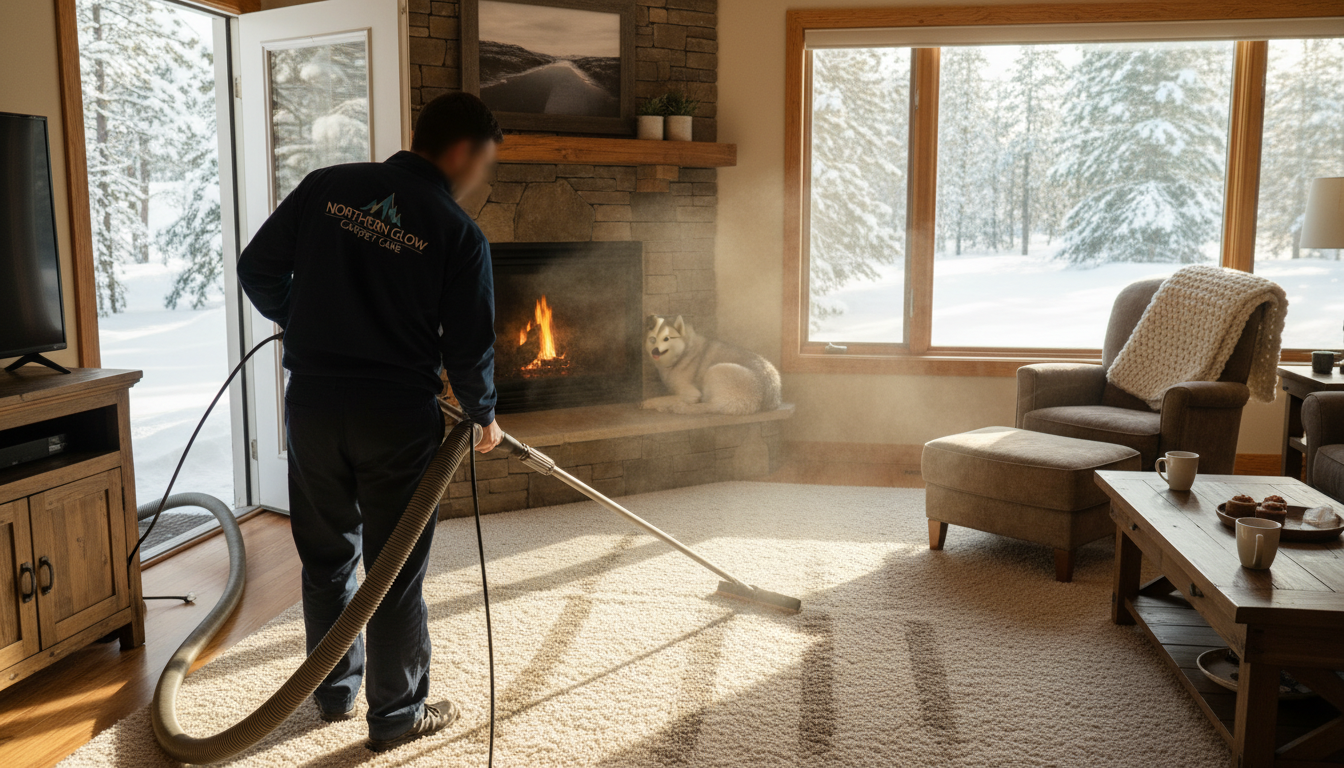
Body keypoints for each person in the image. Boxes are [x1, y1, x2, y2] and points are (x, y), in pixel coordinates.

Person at [237, 92, 504, 752]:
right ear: (465, 152)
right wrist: (484, 416)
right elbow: (469, 349)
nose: (481, 181)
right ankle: (396, 715)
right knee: (395, 566)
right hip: (396, 419)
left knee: (327, 557)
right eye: (486, 165)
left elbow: (256, 267)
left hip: (314, 407)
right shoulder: (458, 231)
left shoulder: (329, 186)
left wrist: (303, 317)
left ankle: (330, 692)